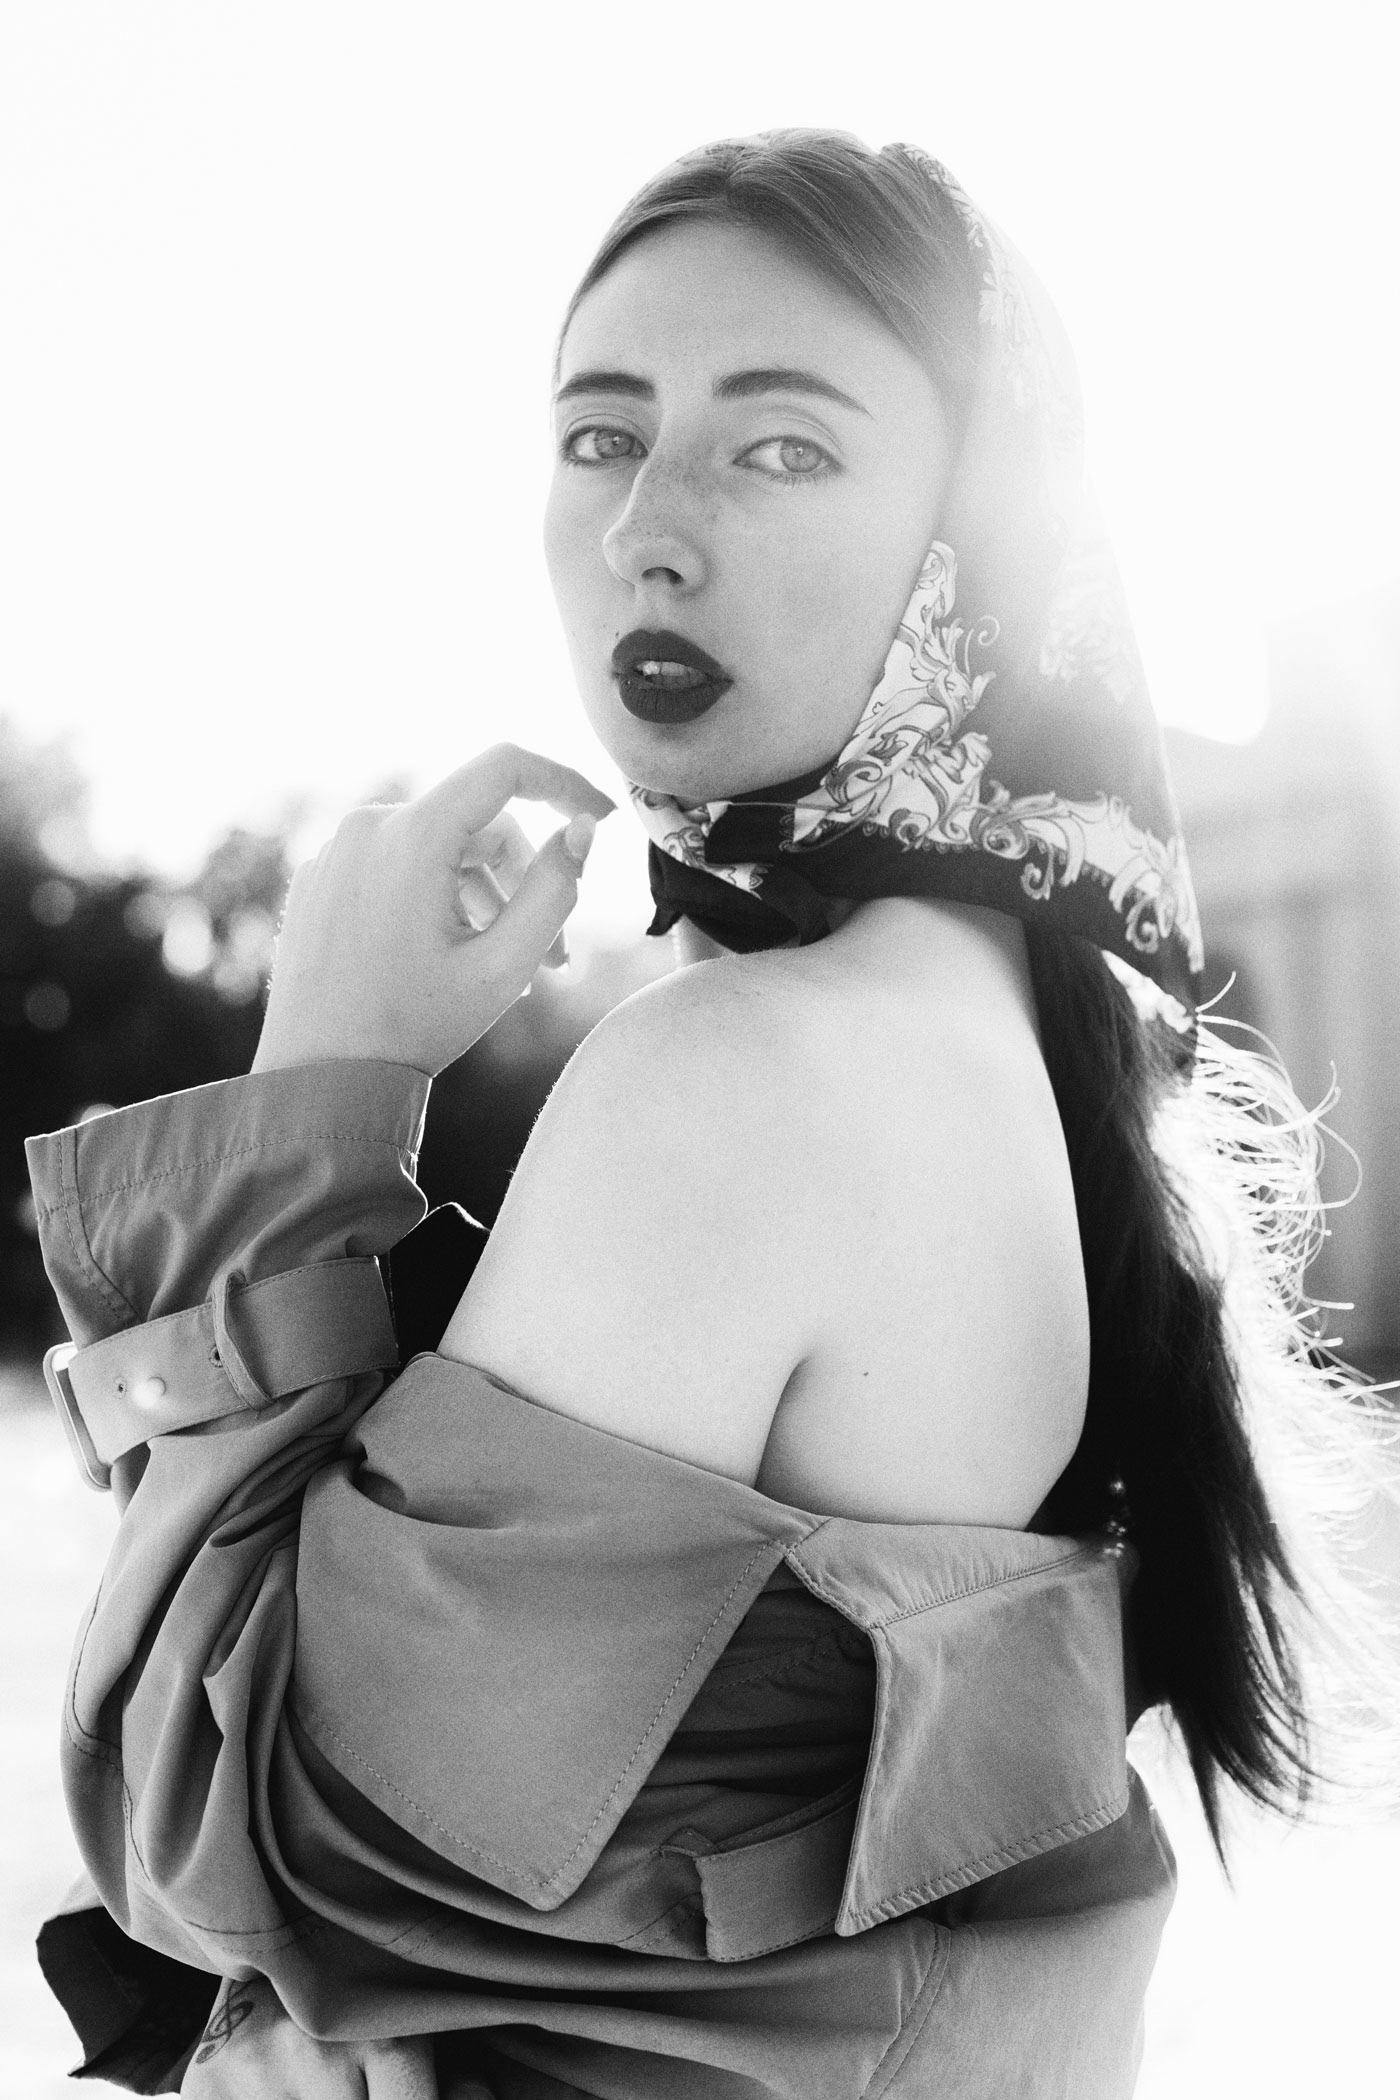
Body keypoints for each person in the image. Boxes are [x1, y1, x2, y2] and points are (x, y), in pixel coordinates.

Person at [27, 132, 1396, 2099]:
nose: (646, 531)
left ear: (983, 541)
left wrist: (316, 1081)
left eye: (781, 448)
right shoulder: (1013, 1054)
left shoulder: (746, 1071)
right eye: (599, 435)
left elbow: (223, 1852)